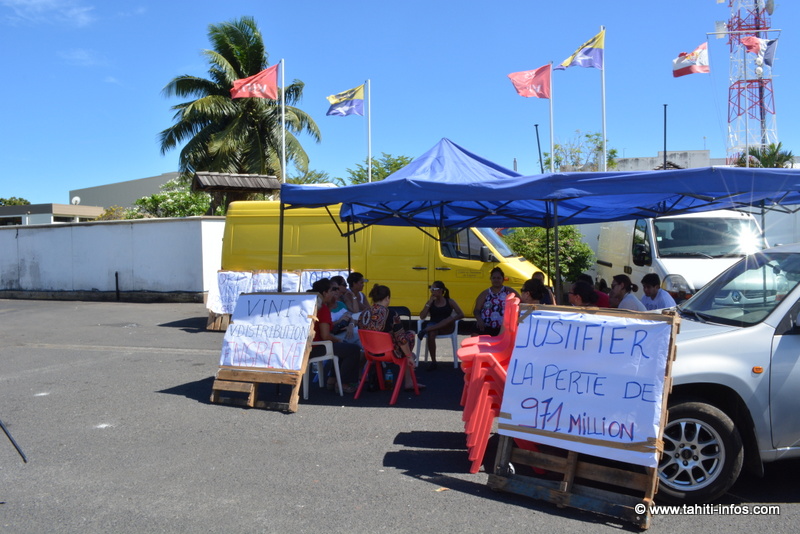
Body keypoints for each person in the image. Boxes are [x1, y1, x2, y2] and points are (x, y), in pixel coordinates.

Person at [358, 284, 422, 390]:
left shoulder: (364, 313)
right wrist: (409, 355)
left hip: (370, 352)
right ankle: (409, 381)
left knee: (402, 342)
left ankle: (408, 375)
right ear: (387, 298)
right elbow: (401, 339)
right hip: (389, 353)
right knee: (409, 335)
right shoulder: (391, 313)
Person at [310, 278, 362, 394]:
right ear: (324, 293)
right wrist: (337, 339)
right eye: (331, 291)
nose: (333, 293)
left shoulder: (310, 304)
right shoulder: (322, 308)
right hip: (317, 346)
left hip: (308, 346)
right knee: (353, 350)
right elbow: (325, 335)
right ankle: (343, 383)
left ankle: (332, 380)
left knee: (342, 348)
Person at [418, 281, 465, 371]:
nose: (432, 291)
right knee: (431, 333)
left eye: (434, 289)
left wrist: (452, 319)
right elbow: (422, 316)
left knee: (447, 320)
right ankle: (434, 362)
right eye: (431, 289)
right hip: (434, 326)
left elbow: (461, 314)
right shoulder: (431, 302)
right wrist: (429, 302)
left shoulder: (450, 302)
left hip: (446, 327)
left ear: (441, 291)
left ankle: (427, 329)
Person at [473, 267, 521, 337]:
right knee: (474, 329)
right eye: (494, 278)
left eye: (498, 278)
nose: (496, 280)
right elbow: (476, 310)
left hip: (504, 327)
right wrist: (479, 320)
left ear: (503, 279)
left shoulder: (510, 292)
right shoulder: (485, 293)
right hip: (486, 326)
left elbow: (520, 305)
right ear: (491, 279)